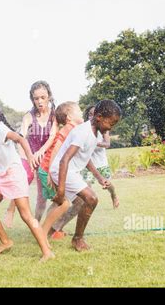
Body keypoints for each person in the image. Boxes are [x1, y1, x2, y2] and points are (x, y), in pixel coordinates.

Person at [0, 98, 54, 262]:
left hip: (15, 174)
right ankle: (6, 241)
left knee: (26, 216)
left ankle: (47, 252)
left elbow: (21, 139)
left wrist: (30, 156)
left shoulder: (2, 130)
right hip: (2, 176)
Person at [49, 100, 121, 251]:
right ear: (99, 117)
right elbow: (65, 159)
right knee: (91, 199)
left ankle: (46, 231)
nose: (110, 128)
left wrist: (99, 177)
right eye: (111, 123)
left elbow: (86, 157)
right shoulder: (83, 131)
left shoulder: (94, 133)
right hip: (62, 169)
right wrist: (61, 190)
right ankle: (77, 239)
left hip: (70, 171)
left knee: (81, 203)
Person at [3, 80, 58, 227]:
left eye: (43, 97)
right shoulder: (29, 116)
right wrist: (29, 157)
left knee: (41, 197)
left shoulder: (54, 116)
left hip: (45, 156)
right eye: (36, 98)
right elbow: (21, 137)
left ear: (49, 97)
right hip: (26, 154)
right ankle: (11, 209)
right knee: (26, 176)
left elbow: (52, 137)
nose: (40, 101)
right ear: (32, 99)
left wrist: (40, 152)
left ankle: (37, 224)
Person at [35, 102, 85, 240]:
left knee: (59, 202)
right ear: (69, 117)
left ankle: (49, 229)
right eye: (79, 110)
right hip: (48, 170)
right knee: (63, 202)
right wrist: (51, 173)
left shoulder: (74, 129)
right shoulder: (69, 128)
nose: (82, 113)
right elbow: (56, 149)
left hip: (49, 169)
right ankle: (44, 232)